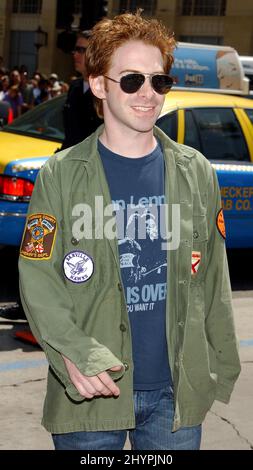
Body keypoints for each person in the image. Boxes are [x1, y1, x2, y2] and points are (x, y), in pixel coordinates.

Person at [19, 11, 240, 450]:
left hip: (174, 394)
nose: (148, 94)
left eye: (159, 81)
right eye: (132, 80)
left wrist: (218, 366)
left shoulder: (196, 172)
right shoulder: (61, 175)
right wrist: (74, 354)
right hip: (90, 390)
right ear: (99, 85)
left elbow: (214, 279)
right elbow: (38, 279)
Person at [61, 30, 103, 149]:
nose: (75, 55)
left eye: (81, 50)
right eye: (75, 50)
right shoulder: (75, 86)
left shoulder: (106, 90)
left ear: (96, 55)